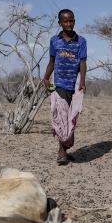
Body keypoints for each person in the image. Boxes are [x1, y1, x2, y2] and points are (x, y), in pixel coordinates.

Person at [43, 9, 87, 165]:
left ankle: (65, 150)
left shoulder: (81, 41)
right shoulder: (55, 41)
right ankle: (61, 153)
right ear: (60, 23)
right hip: (60, 84)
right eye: (66, 21)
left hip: (73, 85)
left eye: (71, 21)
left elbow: (82, 62)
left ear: (74, 21)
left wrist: (82, 82)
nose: (69, 24)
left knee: (71, 118)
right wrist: (46, 77)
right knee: (61, 118)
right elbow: (52, 61)